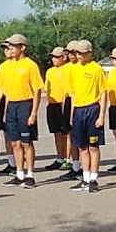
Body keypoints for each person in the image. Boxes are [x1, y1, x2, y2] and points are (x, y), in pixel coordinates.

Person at [0, 33, 44, 189]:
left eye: (13, 45)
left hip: (26, 104)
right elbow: (5, 91)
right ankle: (19, 174)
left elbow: (37, 90)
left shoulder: (30, 65)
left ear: (22, 47)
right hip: (11, 106)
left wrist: (34, 113)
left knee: (26, 143)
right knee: (15, 143)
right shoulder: (4, 67)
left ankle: (30, 175)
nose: (9, 48)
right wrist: (4, 112)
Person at [66, 40, 108, 193]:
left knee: (93, 146)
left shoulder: (96, 69)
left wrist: (101, 115)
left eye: (81, 53)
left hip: (92, 109)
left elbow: (103, 92)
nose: (78, 56)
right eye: (76, 53)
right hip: (78, 110)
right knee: (82, 146)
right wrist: (72, 114)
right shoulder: (73, 69)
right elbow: (73, 94)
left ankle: (94, 179)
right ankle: (85, 177)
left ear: (89, 53)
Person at [44, 46, 74, 177]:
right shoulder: (50, 71)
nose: (54, 59)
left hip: (64, 102)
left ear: (64, 57)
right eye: (53, 57)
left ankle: (68, 159)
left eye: (57, 57)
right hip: (52, 104)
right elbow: (47, 89)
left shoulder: (67, 69)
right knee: (56, 132)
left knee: (66, 133)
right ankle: (59, 158)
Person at [0, 42, 18, 177]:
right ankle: (11, 163)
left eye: (9, 48)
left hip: (16, 100)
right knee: (6, 134)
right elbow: (1, 87)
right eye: (5, 49)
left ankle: (20, 165)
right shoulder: (2, 67)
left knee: (18, 137)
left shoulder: (18, 65)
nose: (7, 51)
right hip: (4, 100)